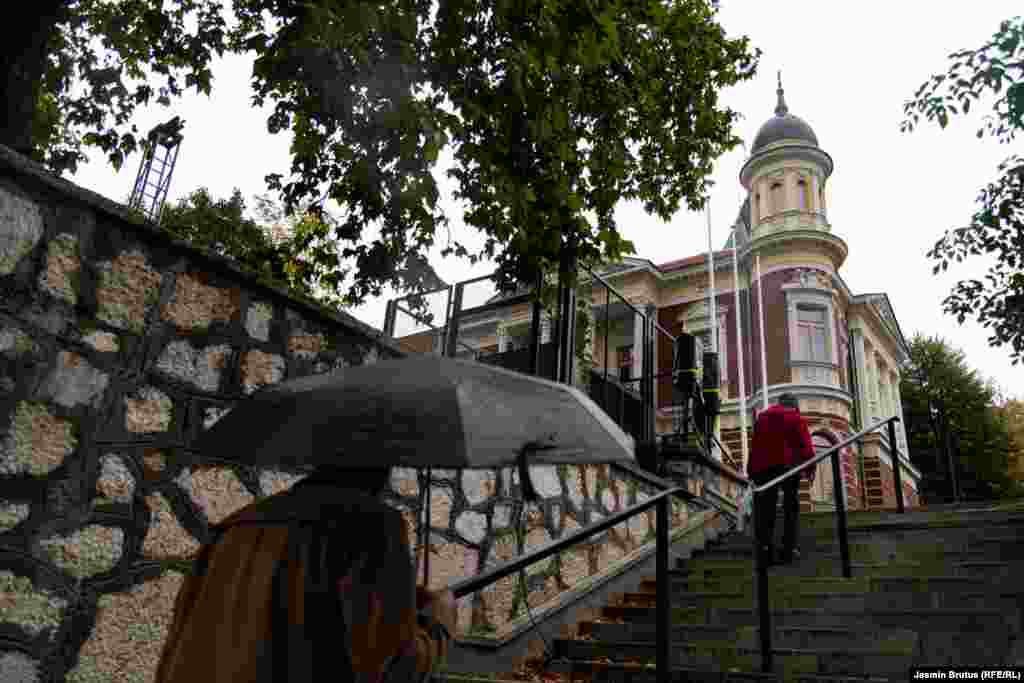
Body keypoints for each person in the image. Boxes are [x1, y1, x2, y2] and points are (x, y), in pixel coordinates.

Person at [155, 465, 457, 682]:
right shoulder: (372, 528)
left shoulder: (234, 528)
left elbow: (177, 649)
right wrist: (438, 622)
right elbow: (393, 669)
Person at [747, 394, 816, 566]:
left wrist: (751, 471)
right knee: (790, 507)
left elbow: (755, 445)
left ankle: (765, 551)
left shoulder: (762, 419)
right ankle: (788, 550)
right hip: (787, 467)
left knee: (766, 510)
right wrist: (810, 469)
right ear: (794, 406)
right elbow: (805, 445)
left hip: (763, 470)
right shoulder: (795, 417)